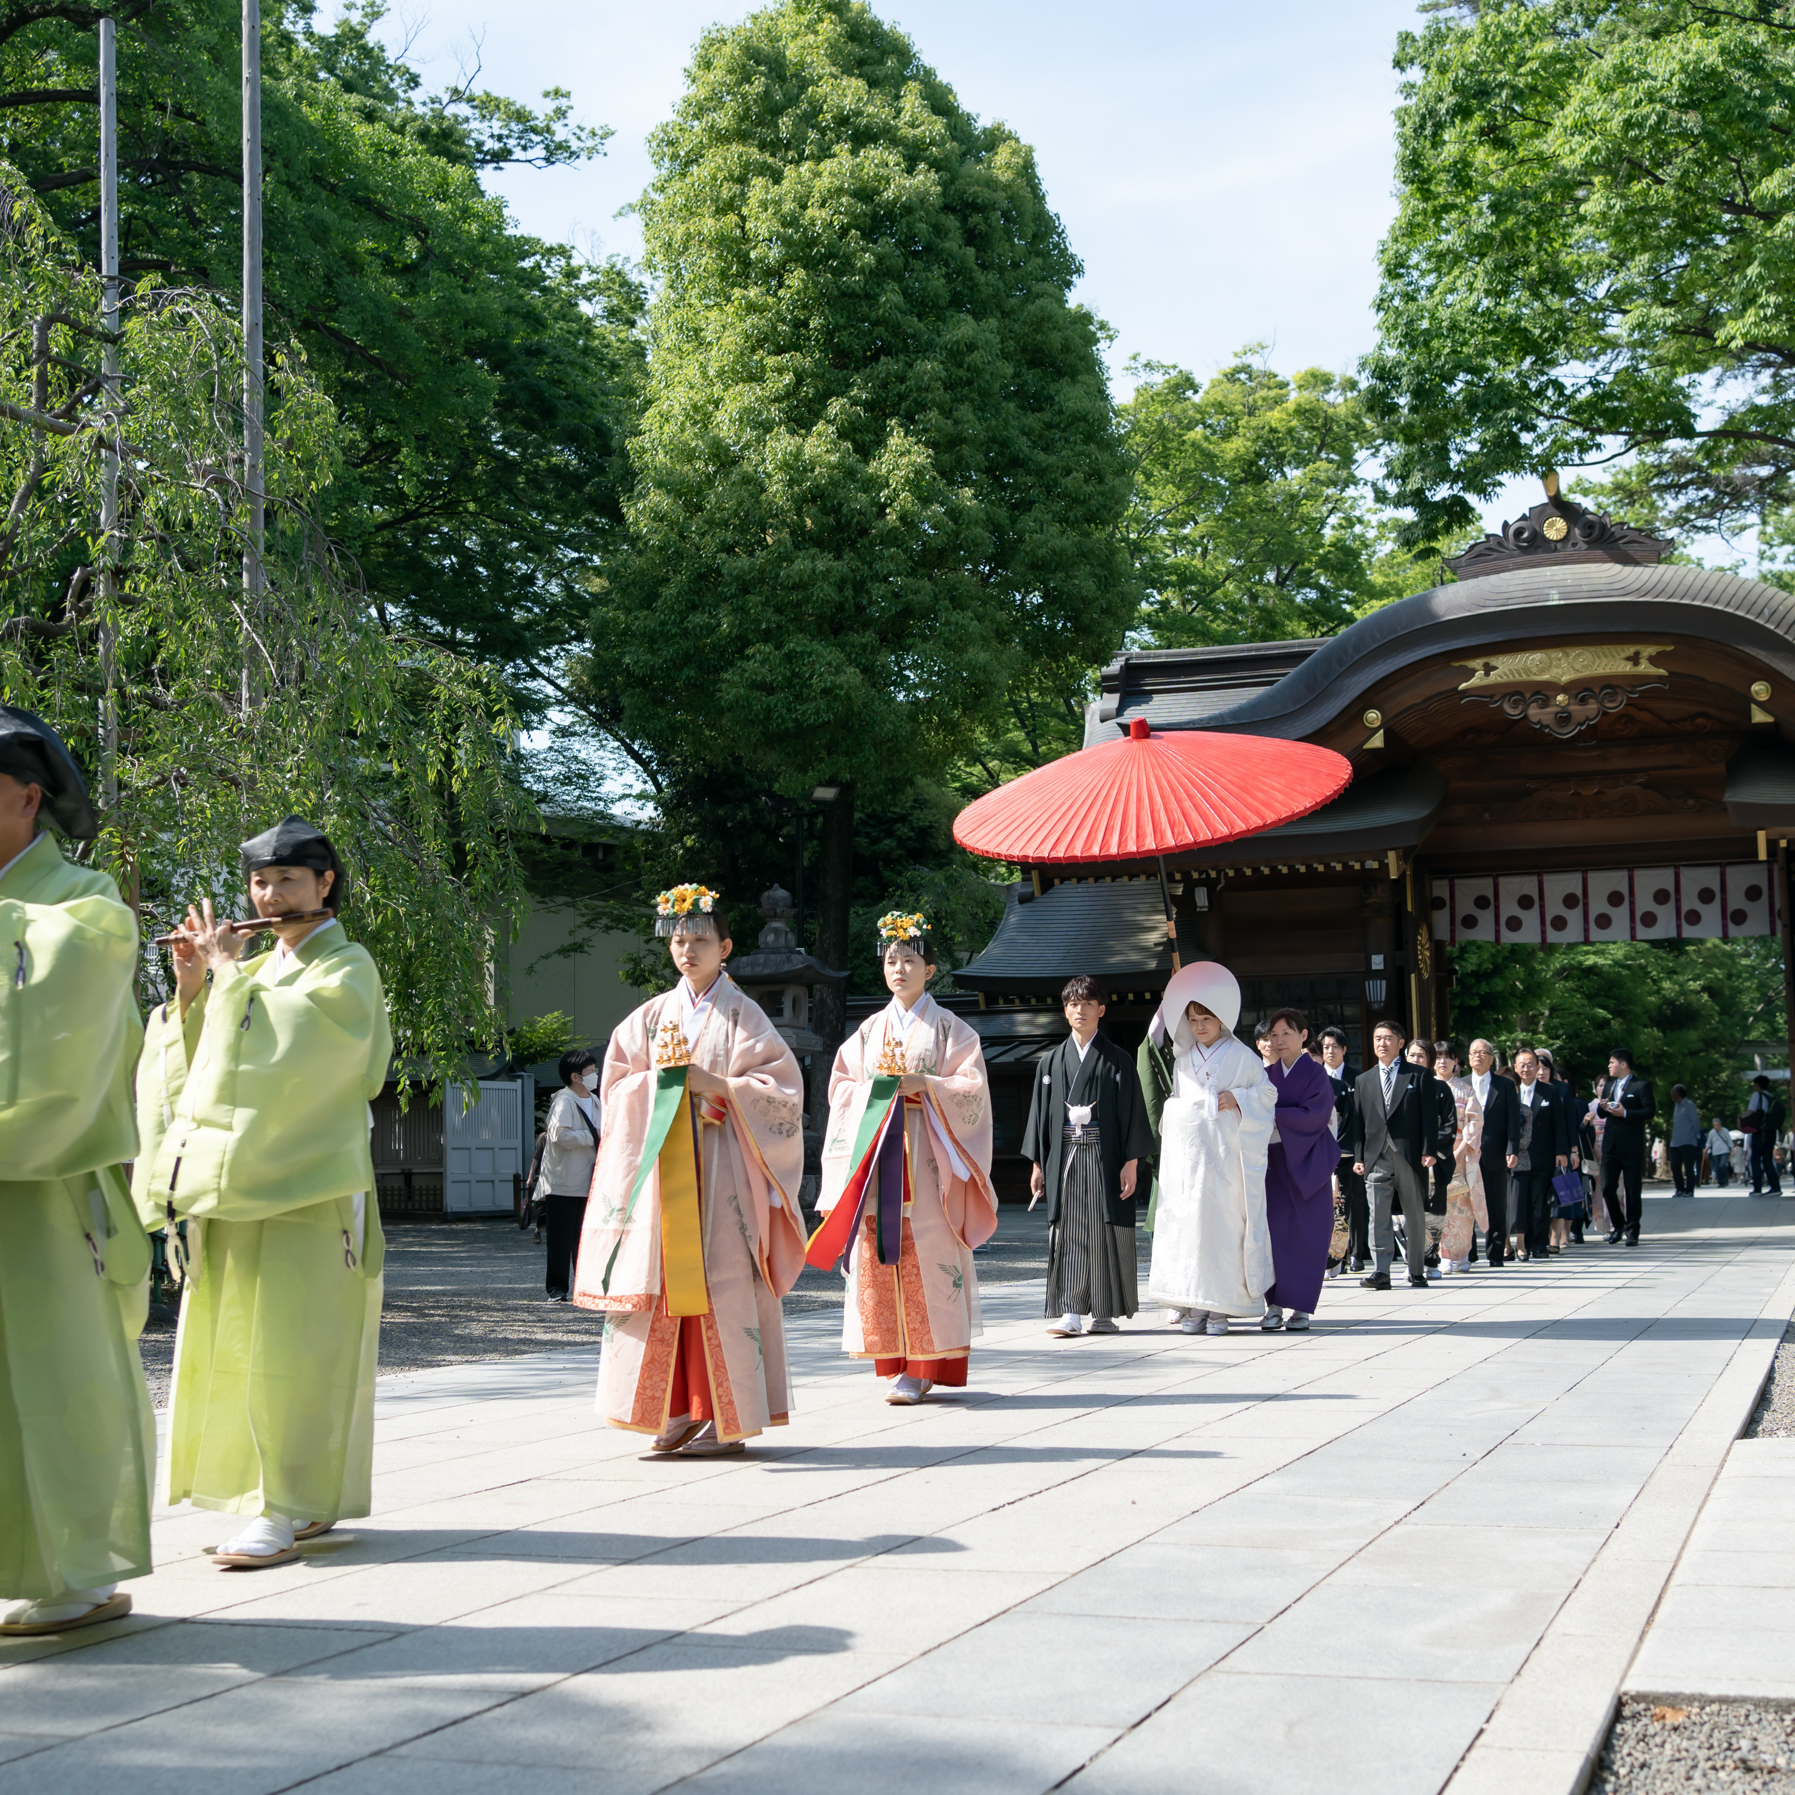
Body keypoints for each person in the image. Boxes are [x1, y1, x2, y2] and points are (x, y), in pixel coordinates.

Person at [137, 816, 391, 1569]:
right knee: (238, 1345)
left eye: (286, 880)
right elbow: (202, 1070)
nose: (270, 895)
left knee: (296, 1348)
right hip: (238, 1182)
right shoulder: (260, 971)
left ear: (324, 884)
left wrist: (225, 978)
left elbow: (321, 1054)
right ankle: (283, 1499)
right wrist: (190, 990)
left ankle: (281, 1506)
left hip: (308, 1187)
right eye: (259, 882)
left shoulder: (346, 968)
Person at [0, 709, 154, 1636]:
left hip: (42, 1190)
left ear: (27, 797)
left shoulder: (85, 910)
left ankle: (76, 1572)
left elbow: (56, 1055)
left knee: (55, 1381)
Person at [572, 886, 805, 1450]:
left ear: (724, 947)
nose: (688, 950)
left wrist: (718, 1086)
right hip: (663, 1177)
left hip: (724, 1173)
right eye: (679, 940)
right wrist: (666, 1086)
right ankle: (669, 1410)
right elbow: (618, 1084)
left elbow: (782, 1091)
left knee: (721, 1285)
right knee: (659, 1284)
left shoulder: (744, 1016)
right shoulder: (649, 1017)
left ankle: (726, 1418)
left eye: (700, 939)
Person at [815, 912, 997, 1404]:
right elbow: (841, 1088)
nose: (899, 968)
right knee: (881, 1252)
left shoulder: (949, 1029)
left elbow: (972, 1089)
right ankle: (896, 1362)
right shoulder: (869, 1032)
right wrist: (872, 1096)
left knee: (929, 1254)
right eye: (891, 960)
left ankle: (923, 1366)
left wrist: (927, 1086)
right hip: (878, 1162)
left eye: (910, 960)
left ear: (930, 970)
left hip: (928, 1160)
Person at [1144, 962, 1276, 1334]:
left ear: (1221, 1019)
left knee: (1222, 1231)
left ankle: (1221, 1310)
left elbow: (1267, 1094)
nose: (1199, 1026)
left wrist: (1236, 1097)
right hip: (1189, 1163)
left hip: (1225, 1162)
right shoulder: (1183, 1059)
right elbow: (1174, 1101)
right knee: (1190, 1232)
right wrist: (1182, 1110)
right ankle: (1194, 1307)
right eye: (1193, 1019)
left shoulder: (1242, 1056)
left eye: (1206, 1018)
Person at [1024, 976, 1154, 1339]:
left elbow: (1133, 1113)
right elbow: (1039, 1117)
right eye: (1073, 1004)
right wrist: (1038, 1163)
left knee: (1105, 1230)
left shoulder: (1118, 1060)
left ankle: (1106, 1312)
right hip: (1064, 1156)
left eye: (1087, 1003)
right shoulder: (1050, 1063)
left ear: (1101, 1009)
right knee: (1068, 1230)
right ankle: (1070, 1311)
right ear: (1065, 1012)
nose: (1080, 1010)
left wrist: (1132, 1162)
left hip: (1105, 1156)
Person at [1349, 1020, 1451, 1290]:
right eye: (1377, 1038)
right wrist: (1359, 1156)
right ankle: (1380, 1271)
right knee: (1377, 1214)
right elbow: (1358, 1123)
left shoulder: (1418, 1075)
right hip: (1375, 1155)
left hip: (1410, 1154)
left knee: (1414, 1212)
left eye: (1388, 1038)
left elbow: (1430, 1117)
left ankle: (1417, 1269)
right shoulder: (1363, 1079)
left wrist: (1430, 1150)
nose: (1381, 1043)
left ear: (1401, 1043)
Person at [1259, 1008, 1337, 1332]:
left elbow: (1316, 1114)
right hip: (1274, 1163)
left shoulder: (1316, 1073)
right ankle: (1274, 1305)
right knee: (1273, 1235)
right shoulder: (1265, 1074)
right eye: (1273, 1035)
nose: (1278, 1041)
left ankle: (1302, 1308)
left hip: (1309, 1164)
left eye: (1286, 1034)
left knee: (1308, 1235)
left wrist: (1275, 1114)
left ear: (1304, 1036)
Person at [540, 1049, 601, 1301]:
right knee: (560, 1238)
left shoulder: (595, 1100)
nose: (595, 1075)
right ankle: (557, 1288)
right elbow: (558, 1136)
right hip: (563, 1182)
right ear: (576, 1076)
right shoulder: (564, 1100)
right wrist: (593, 1136)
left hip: (589, 1180)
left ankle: (585, 1286)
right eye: (591, 1072)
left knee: (586, 1237)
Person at [1464, 1039, 1521, 1267]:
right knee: (1465, 1204)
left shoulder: (1504, 1086)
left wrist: (1512, 1149)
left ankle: (1496, 1254)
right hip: (1466, 1154)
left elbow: (1513, 1121)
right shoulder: (1461, 1084)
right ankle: (1467, 1253)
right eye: (1473, 1052)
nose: (1477, 1056)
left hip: (1495, 1153)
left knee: (1496, 1205)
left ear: (1491, 1058)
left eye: (1482, 1052)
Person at [1510, 1048, 1571, 1261]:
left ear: (1538, 1067)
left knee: (1539, 1202)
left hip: (1543, 1155)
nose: (1526, 1069)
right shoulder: (1510, 1090)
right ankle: (1521, 1244)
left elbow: (1559, 1124)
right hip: (1516, 1157)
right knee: (1520, 1202)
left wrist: (1562, 1151)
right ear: (1515, 1067)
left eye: (1530, 1064)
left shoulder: (1550, 1092)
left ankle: (1539, 1244)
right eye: (1522, 1065)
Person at [1318, 1026, 1367, 1274]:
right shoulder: (1316, 1078)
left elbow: (1361, 1119)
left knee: (1353, 1203)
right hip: (1321, 1152)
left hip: (1349, 1152)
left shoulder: (1357, 1079)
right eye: (1326, 1047)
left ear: (1344, 1049)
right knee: (1327, 1205)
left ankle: (1355, 1254)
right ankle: (1331, 1256)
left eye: (1335, 1046)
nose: (1330, 1051)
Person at [1405, 1037, 1452, 1277]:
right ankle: (1411, 1262)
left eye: (1421, 1056)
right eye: (1412, 1055)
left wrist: (1430, 1148)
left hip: (1432, 1161)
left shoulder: (1440, 1088)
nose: (1416, 1060)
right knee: (1403, 1214)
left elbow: (1449, 1124)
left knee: (1433, 1212)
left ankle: (1431, 1261)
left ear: (1430, 1061)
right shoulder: (1399, 1086)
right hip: (1404, 1158)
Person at [1598, 1049, 1654, 1244]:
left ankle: (1632, 1231)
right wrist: (1603, 1106)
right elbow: (1602, 1112)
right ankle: (1618, 1224)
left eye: (1612, 1062)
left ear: (1623, 1064)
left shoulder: (1641, 1086)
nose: (1609, 1066)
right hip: (1611, 1145)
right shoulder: (1609, 1086)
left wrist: (1626, 1113)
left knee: (1631, 1190)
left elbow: (1649, 1111)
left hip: (1631, 1145)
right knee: (1607, 1188)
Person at [1745, 1074, 1785, 1197]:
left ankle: (1757, 1188)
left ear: (1757, 1085)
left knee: (1755, 1159)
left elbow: (1751, 1111)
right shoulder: (1771, 1097)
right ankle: (1775, 1187)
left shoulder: (1757, 1095)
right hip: (1771, 1131)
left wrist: (1741, 1119)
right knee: (1767, 1159)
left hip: (1760, 1131)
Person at [1668, 1084, 1702, 1198]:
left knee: (1688, 1167)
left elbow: (1695, 1122)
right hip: (1676, 1141)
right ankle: (1680, 1189)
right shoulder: (1676, 1106)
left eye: (1673, 1093)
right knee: (1675, 1166)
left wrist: (1695, 1136)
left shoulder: (1689, 1105)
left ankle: (1689, 1190)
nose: (1671, 1095)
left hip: (1687, 1140)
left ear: (1677, 1094)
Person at [1707, 1116, 1734, 1188]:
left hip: (1724, 1150)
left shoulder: (1725, 1130)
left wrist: (1732, 1150)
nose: (1716, 1127)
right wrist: (1706, 1149)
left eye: (1717, 1125)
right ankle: (1720, 1182)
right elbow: (1709, 1142)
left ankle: (1725, 1180)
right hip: (1715, 1151)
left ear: (1720, 1124)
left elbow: (1729, 1140)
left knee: (1722, 1165)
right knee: (1717, 1167)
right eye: (1714, 1125)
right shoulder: (1711, 1132)